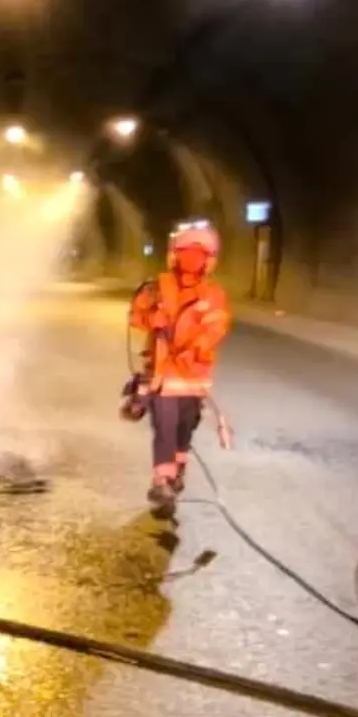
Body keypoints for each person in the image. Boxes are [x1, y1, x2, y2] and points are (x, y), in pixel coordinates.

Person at [128, 220, 231, 515]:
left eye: (199, 254)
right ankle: (162, 479)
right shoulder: (157, 288)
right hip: (162, 374)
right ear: (175, 255)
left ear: (208, 261)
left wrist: (194, 348)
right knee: (164, 426)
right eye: (186, 252)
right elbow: (136, 316)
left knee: (185, 429)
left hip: (193, 377)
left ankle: (178, 469)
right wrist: (152, 320)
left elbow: (217, 327)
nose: (192, 259)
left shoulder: (213, 295)